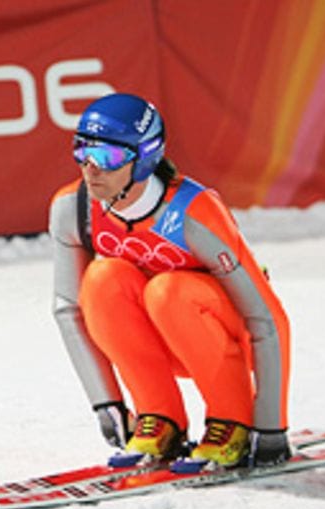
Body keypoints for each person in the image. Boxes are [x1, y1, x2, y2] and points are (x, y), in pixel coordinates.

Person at [48, 93, 291, 469]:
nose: (90, 169)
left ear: (144, 159)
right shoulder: (73, 208)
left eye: (106, 157)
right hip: (160, 338)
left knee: (168, 291)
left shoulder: (193, 213)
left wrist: (271, 426)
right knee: (101, 279)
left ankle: (232, 420)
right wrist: (106, 404)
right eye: (82, 151)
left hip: (228, 334)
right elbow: (68, 309)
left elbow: (268, 317)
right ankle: (159, 417)